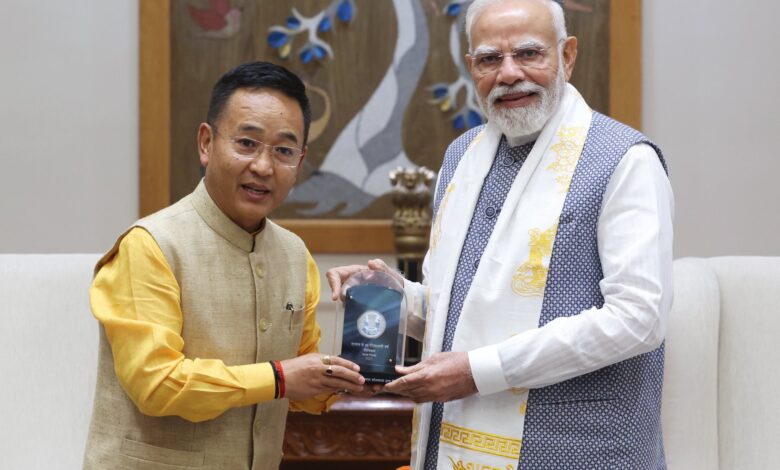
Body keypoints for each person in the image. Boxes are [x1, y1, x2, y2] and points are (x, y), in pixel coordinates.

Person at [328, 0, 674, 468]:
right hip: (454, 437)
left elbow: (638, 318)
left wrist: (477, 371)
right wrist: (390, 296)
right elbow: (461, 302)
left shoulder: (624, 160)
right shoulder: (462, 156)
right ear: (472, 67)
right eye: (490, 59)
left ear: (567, 55)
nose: (509, 74)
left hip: (577, 448)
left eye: (529, 53)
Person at [84, 61, 367, 470]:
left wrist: (355, 375)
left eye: (284, 151)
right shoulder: (150, 245)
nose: (264, 166)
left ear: (300, 160)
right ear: (206, 143)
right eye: (247, 143)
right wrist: (280, 377)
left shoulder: (294, 254)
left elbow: (302, 383)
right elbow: (156, 384)